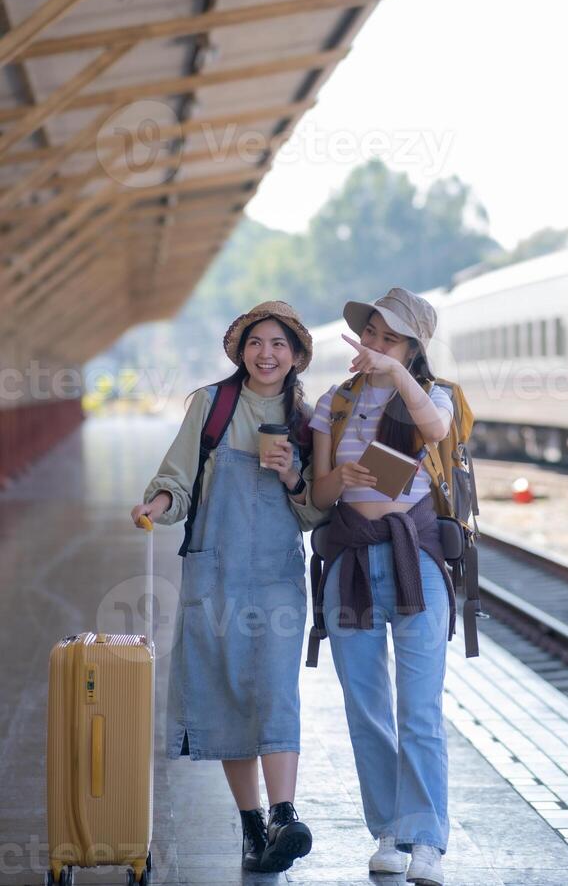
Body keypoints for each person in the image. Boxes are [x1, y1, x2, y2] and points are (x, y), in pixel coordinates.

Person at [131, 301, 328, 874]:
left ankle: (284, 814)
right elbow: (177, 477)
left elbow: (315, 511)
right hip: (213, 571)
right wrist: (157, 504)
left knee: (274, 688)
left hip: (277, 576)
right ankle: (251, 826)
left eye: (278, 344)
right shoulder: (211, 406)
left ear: (295, 355)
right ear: (240, 350)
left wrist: (292, 474)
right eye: (256, 343)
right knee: (228, 693)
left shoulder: (308, 418)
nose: (266, 354)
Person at [309, 287, 456, 886]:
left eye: (388, 337)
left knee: (419, 708)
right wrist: (339, 475)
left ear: (413, 348)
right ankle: (389, 832)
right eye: (370, 333)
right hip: (349, 565)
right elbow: (319, 496)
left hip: (414, 560)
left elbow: (437, 429)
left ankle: (426, 841)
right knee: (366, 708)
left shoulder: (432, 394)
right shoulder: (333, 402)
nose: (372, 344)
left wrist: (395, 373)